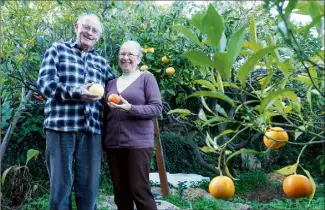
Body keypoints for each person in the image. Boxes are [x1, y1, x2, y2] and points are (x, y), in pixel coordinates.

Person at [37, 14, 116, 210]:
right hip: (61, 126)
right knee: (60, 185)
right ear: (76, 27)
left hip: (92, 130)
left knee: (89, 187)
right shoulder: (57, 50)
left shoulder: (101, 62)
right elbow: (45, 84)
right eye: (86, 27)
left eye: (95, 30)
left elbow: (114, 91)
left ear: (99, 37)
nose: (90, 33)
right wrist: (76, 92)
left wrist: (140, 80)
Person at [103, 40, 162, 210]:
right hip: (113, 144)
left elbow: (156, 108)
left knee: (139, 189)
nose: (126, 57)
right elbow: (106, 115)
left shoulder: (146, 78)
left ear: (139, 59)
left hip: (138, 144)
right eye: (122, 54)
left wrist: (130, 108)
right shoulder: (111, 83)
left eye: (130, 54)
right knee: (120, 193)